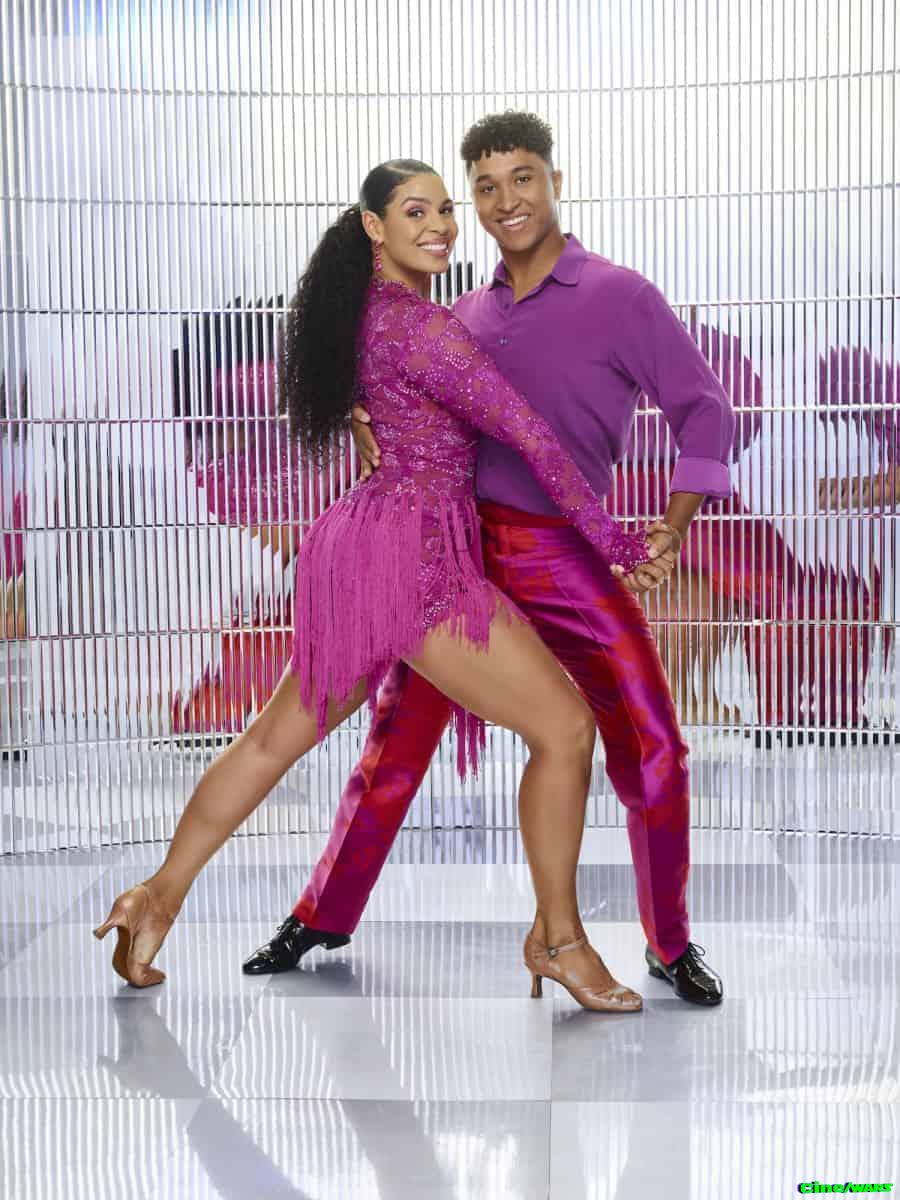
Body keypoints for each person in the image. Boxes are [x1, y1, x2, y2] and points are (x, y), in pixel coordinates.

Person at [94, 157, 652, 1013]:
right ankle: (558, 942)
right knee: (567, 729)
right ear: (373, 227)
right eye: (414, 212)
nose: (440, 226)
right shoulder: (424, 330)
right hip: (413, 562)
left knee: (270, 740)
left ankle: (153, 898)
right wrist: (614, 541)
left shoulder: (361, 317)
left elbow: (400, 416)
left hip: (362, 546)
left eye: (444, 210)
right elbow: (532, 438)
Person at [244, 112, 734, 1006]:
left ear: (555, 181)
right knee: (396, 739)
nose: (506, 200)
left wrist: (671, 526)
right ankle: (321, 913)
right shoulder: (457, 312)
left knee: (653, 743)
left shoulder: (623, 296)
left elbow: (704, 411)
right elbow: (397, 398)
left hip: (563, 554)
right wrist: (361, 423)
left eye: (523, 178)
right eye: (486, 186)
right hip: (458, 555)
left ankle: (669, 942)